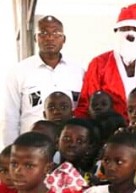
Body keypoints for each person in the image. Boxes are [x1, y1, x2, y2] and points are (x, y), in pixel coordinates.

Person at [1, 15, 84, 147]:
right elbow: (10, 118)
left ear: (64, 39)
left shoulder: (79, 71)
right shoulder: (18, 72)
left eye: (56, 33)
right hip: (31, 149)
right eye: (43, 33)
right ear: (36, 38)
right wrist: (9, 152)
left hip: (70, 148)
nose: (50, 37)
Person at [75, 3, 136, 120]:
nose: (130, 34)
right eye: (125, 28)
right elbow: (86, 104)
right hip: (107, 132)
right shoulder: (99, 64)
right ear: (116, 32)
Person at [59, 118, 100, 183]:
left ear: (89, 148)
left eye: (79, 141)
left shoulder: (89, 181)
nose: (72, 144)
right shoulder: (44, 174)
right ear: (57, 141)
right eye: (67, 138)